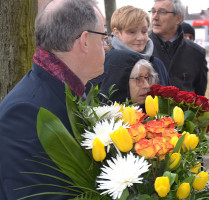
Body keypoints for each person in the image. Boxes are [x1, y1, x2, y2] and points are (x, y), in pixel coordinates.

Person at [0, 0, 107, 199]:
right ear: (84, 41)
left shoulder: (70, 91)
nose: (106, 46)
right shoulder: (23, 113)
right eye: (103, 37)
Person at [149, 0, 208, 96]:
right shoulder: (141, 49)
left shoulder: (197, 53)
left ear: (178, 18)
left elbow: (199, 95)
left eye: (162, 12)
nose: (155, 17)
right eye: (153, 11)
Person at [108, 5, 169, 86]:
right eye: (132, 32)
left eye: (144, 31)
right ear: (117, 32)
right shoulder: (107, 64)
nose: (140, 38)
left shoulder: (157, 64)